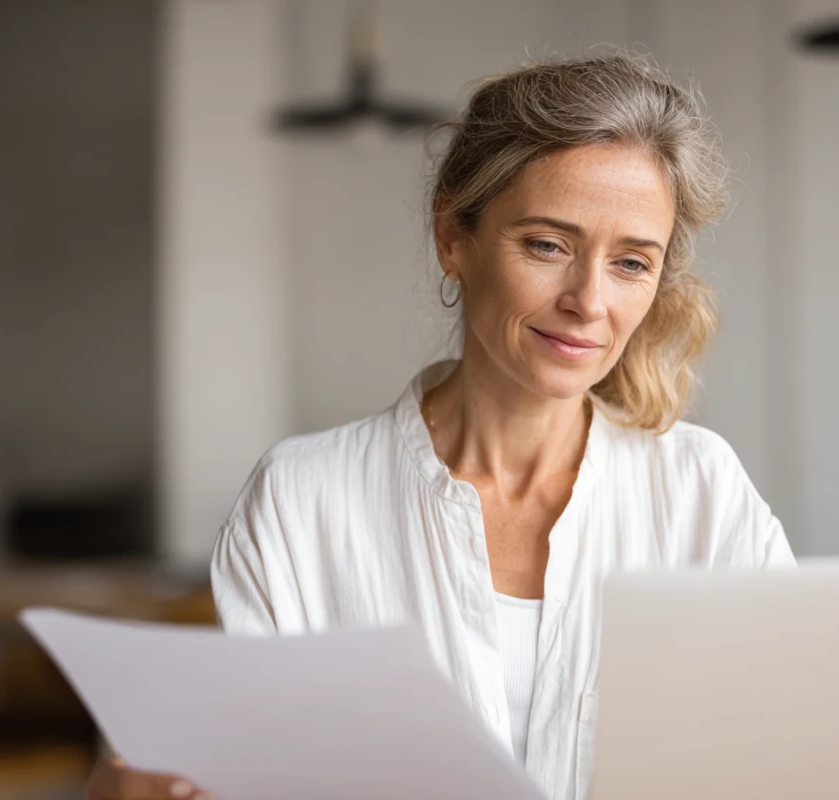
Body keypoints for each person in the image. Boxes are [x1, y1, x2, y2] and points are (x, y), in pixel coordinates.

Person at [85, 52, 794, 800]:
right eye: (548, 245)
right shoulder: (303, 501)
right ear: (453, 239)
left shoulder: (702, 494)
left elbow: (797, 746)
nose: (589, 301)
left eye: (630, 263)